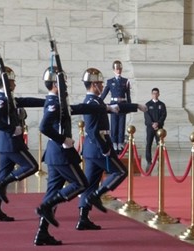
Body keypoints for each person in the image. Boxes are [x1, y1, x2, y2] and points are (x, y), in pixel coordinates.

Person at [34, 67, 119, 245]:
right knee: (81, 184)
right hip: (61, 153)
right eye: (63, 82)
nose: (66, 85)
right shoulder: (54, 102)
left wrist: (105, 108)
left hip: (54, 154)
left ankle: (42, 232)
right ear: (57, 84)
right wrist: (63, 139)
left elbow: (78, 108)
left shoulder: (56, 100)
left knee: (52, 192)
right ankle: (46, 207)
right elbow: (44, 127)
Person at [77, 68, 146, 230]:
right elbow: (93, 130)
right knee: (120, 172)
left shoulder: (94, 102)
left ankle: (83, 218)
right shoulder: (92, 103)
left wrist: (136, 106)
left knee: (90, 183)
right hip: (99, 146)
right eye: (100, 83)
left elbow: (116, 108)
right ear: (94, 84)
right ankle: (97, 196)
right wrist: (105, 149)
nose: (102, 86)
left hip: (91, 149)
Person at [0, 66, 45, 222]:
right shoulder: (2, 99)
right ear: (7, 82)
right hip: (11, 143)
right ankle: (4, 185)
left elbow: (26, 101)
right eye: (13, 81)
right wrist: (12, 129)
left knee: (1, 177)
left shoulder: (8, 97)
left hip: (5, 144)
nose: (15, 84)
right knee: (31, 166)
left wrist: (47, 101)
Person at [100, 60, 131, 151]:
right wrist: (99, 102)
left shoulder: (125, 81)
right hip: (113, 104)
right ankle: (114, 142)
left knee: (121, 124)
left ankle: (120, 143)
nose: (119, 70)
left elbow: (128, 95)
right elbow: (104, 94)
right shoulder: (110, 81)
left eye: (120, 68)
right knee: (114, 124)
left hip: (122, 104)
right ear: (114, 69)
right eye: (117, 69)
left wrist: (130, 106)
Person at [144, 88, 167, 167]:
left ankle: (159, 159)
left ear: (159, 94)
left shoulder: (162, 105)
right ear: (151, 94)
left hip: (159, 128)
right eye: (153, 93)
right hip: (150, 128)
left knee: (159, 144)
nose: (155, 95)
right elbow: (146, 116)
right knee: (149, 144)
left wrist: (158, 123)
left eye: (156, 93)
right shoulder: (147, 104)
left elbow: (164, 115)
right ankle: (148, 160)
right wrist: (152, 124)